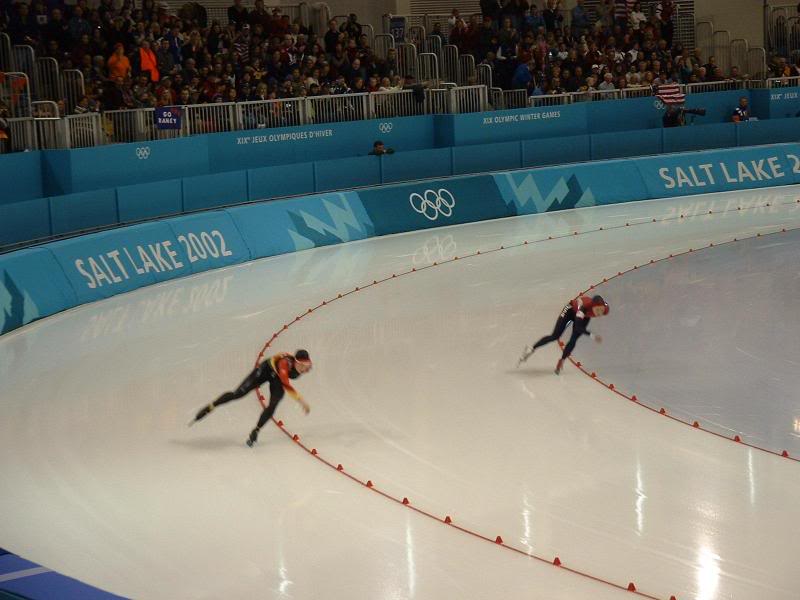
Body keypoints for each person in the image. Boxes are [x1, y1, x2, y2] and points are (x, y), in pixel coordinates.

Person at [190, 350, 313, 447]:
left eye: (307, 366)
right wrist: (301, 401)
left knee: (273, 405)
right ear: (296, 362)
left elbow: (285, 380)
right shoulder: (284, 363)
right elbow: (286, 384)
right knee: (238, 393)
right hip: (265, 371)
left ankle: (256, 430)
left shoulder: (302, 367)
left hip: (277, 378)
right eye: (302, 365)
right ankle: (212, 405)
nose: (304, 369)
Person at [518, 295, 609, 374]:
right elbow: (578, 327)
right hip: (570, 310)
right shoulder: (584, 308)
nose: (600, 313)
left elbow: (602, 307)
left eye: (601, 310)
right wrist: (592, 335)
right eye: (597, 310)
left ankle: (562, 360)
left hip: (585, 316)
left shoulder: (605, 308)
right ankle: (531, 349)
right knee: (555, 336)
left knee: (574, 339)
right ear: (592, 307)